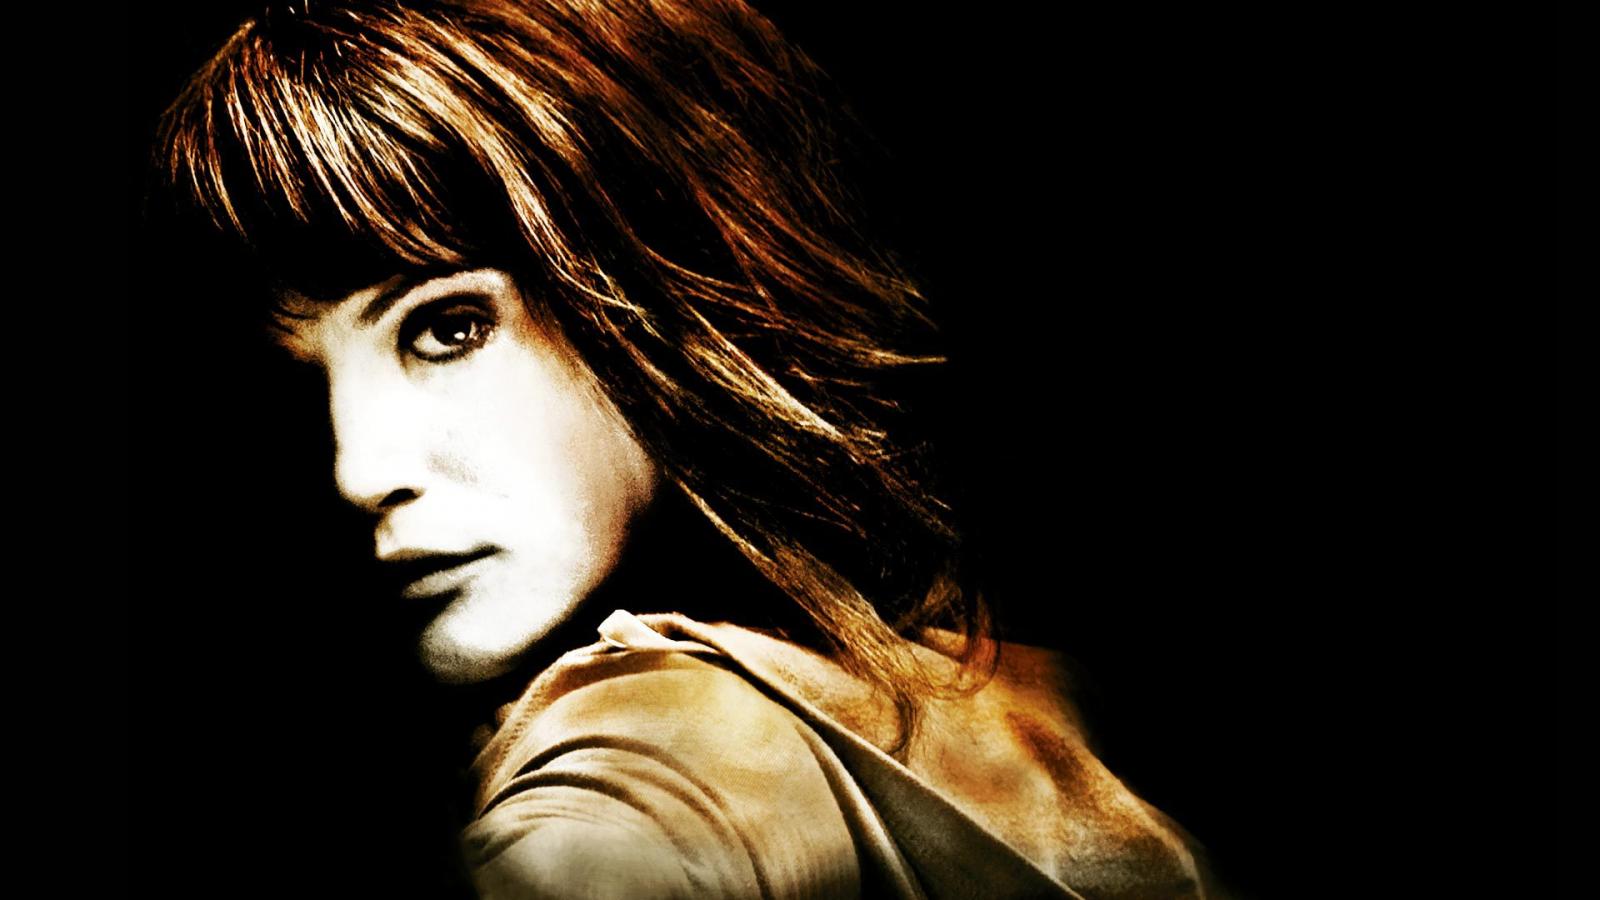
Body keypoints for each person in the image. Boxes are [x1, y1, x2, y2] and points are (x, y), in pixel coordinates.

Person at [147, 1, 1227, 896]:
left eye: (448, 329)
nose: (357, 469)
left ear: (664, 267)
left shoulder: (633, 765)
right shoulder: (1020, 702)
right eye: (304, 383)